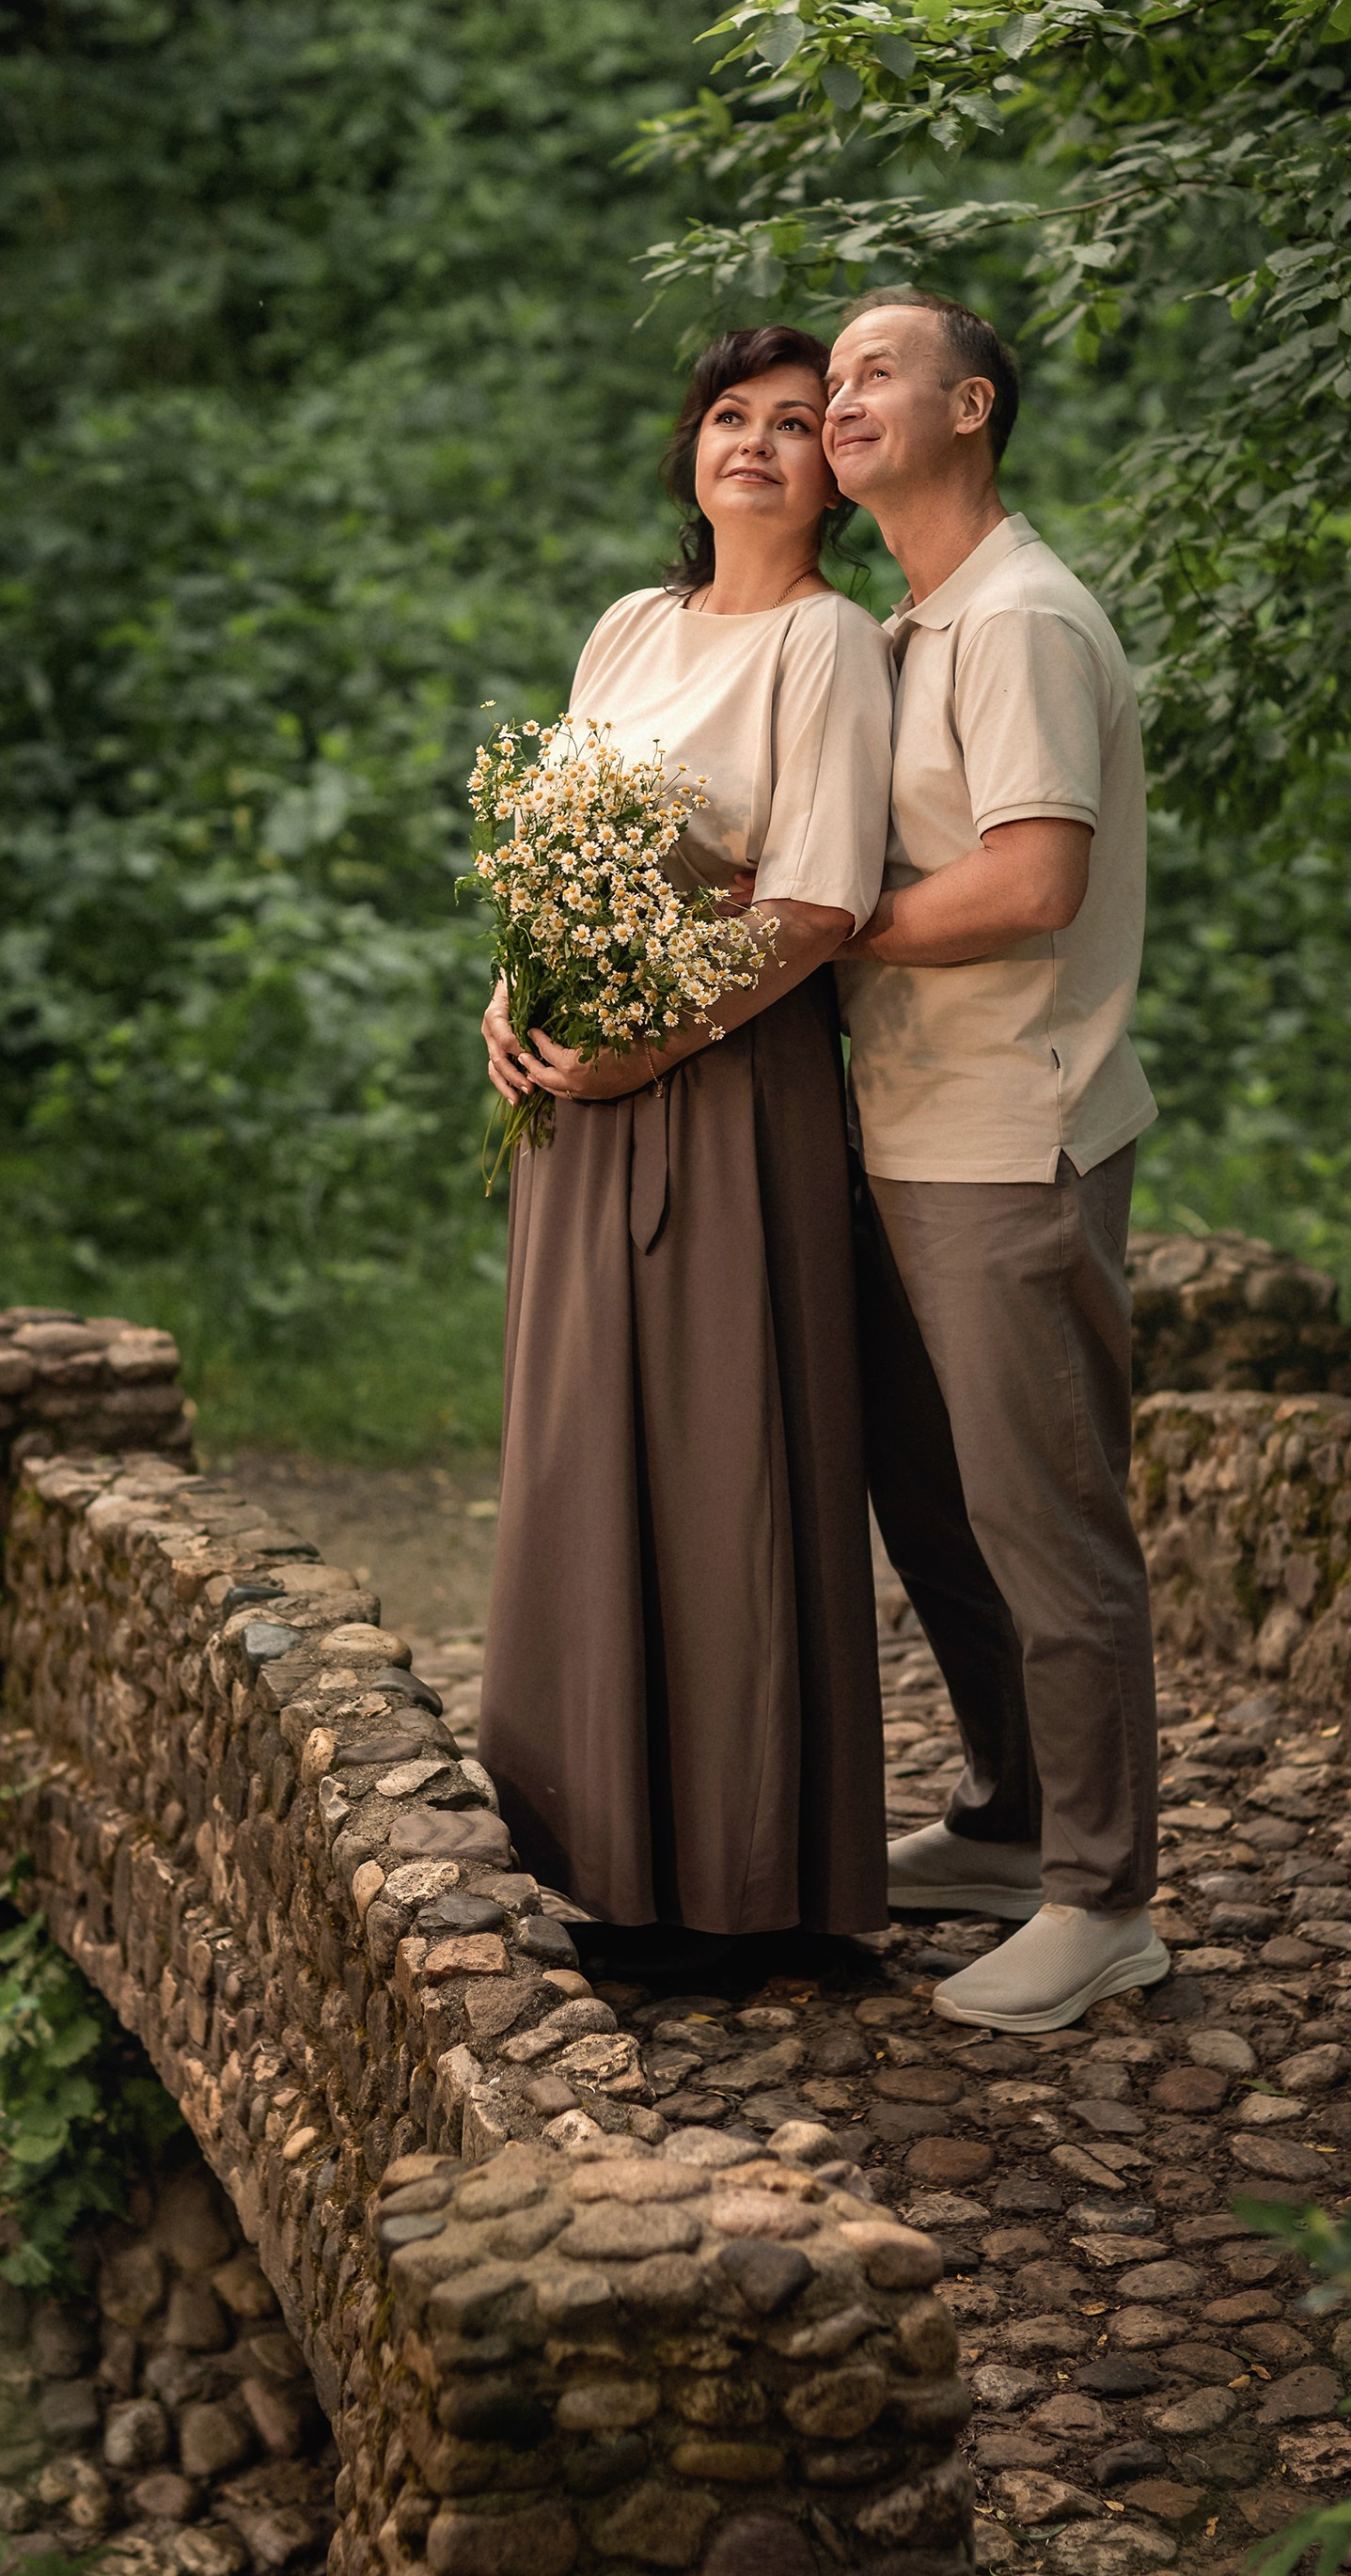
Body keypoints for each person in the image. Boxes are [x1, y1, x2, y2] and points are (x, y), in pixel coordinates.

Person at [475, 325, 895, 1973]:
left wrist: (654, 1032)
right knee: (583, 1448)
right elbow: (556, 844)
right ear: (693, 449)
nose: (762, 443)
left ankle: (741, 1884)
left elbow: (816, 899)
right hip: (576, 1096)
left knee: (727, 1455)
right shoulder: (630, 626)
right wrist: (515, 993)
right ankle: (593, 1853)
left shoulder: (829, 642)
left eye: (800, 425)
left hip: (727, 1087)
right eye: (733, 415)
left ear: (834, 477)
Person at [824, 286, 1168, 2034]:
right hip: (904, 1134)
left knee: (1046, 1523)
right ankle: (1015, 1814)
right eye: (830, 379)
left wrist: (823, 931)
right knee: (931, 1499)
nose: (841, 396)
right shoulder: (911, 626)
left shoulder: (1024, 617)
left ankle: (1107, 1900)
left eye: (879, 369)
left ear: (973, 408)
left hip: (1009, 1138)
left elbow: (1031, 883)